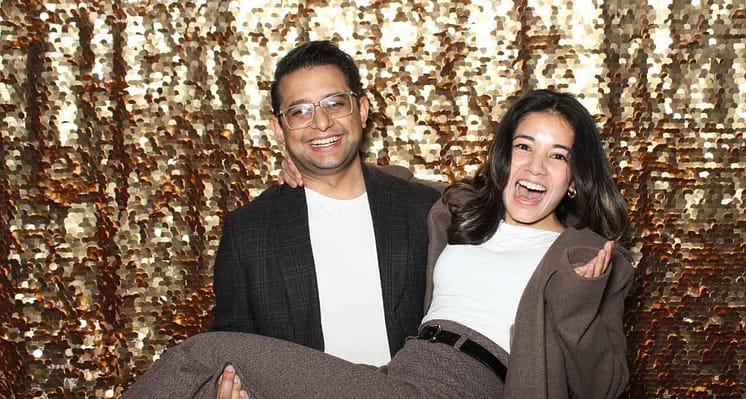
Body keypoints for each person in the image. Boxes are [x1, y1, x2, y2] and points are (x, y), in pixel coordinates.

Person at [122, 89, 634, 399]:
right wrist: (309, 166)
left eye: (557, 155)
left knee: (204, 355)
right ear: (506, 157)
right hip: (400, 374)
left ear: (575, 177)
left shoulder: (586, 257)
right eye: (524, 147)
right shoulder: (462, 211)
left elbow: (604, 386)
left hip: (466, 384)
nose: (535, 167)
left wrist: (577, 301)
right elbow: (391, 182)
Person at [211, 40, 441, 366]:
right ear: (279, 129)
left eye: (334, 104)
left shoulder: (425, 210)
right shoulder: (248, 232)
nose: (321, 123)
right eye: (300, 111)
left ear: (362, 110)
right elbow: (230, 350)